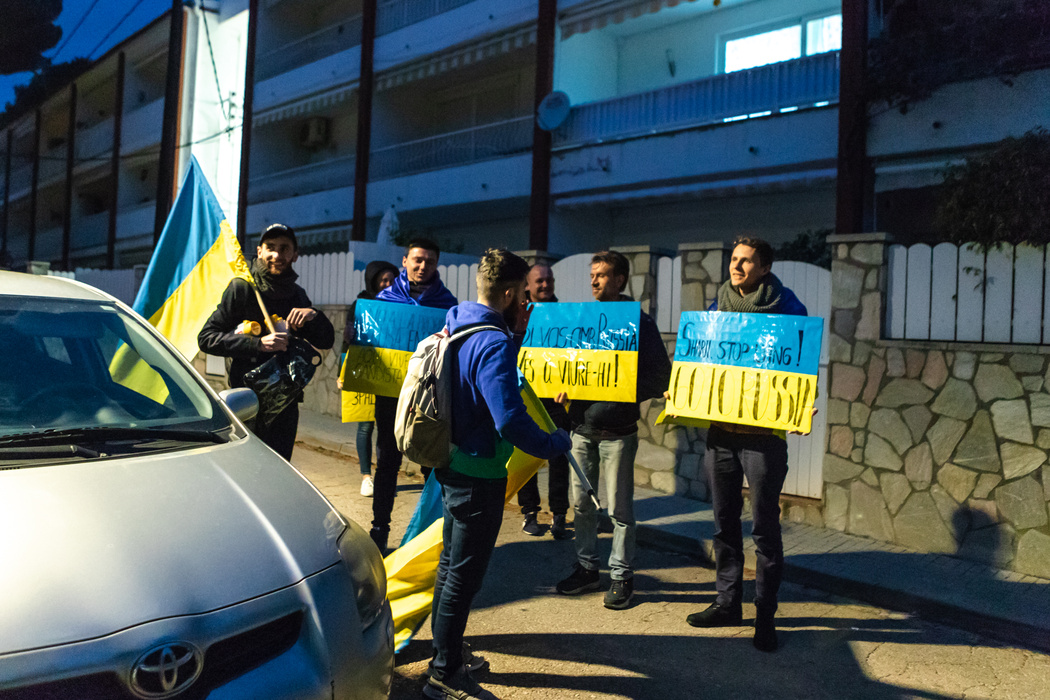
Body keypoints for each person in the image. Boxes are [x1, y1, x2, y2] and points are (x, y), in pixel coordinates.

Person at [425, 248, 571, 700]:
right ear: (508, 293)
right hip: (479, 473)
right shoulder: (493, 342)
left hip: (452, 464)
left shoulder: (457, 324)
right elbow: (508, 420)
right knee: (462, 577)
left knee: (450, 568)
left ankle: (446, 653)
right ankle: (444, 673)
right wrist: (555, 442)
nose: (526, 301)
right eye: (523, 293)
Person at [682, 237, 807, 652]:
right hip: (720, 435)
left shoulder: (788, 309)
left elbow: (798, 365)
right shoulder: (716, 310)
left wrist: (800, 405)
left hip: (762, 440)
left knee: (765, 530)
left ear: (764, 268)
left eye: (746, 261)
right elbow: (700, 362)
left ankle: (765, 616)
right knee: (724, 524)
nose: (736, 266)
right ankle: (727, 604)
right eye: (734, 259)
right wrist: (682, 389)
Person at [555, 251, 672, 610]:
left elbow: (660, 376)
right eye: (592, 274)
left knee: (620, 510)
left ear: (620, 280)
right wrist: (562, 386)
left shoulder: (640, 323)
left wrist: (622, 388)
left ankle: (622, 576)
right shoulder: (582, 320)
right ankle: (587, 569)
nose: (594, 281)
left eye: (602, 275)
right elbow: (565, 364)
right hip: (580, 429)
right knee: (581, 505)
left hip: (618, 433)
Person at [198, 223, 335, 460]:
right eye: (270, 247)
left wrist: (314, 315)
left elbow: (326, 340)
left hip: (285, 403)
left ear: (295, 254)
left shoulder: (297, 294)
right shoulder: (242, 288)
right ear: (259, 251)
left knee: (280, 467)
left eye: (284, 248)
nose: (277, 255)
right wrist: (258, 344)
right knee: (246, 467)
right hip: (247, 401)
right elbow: (207, 338)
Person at [369, 238, 458, 552]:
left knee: (431, 464)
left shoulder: (448, 305)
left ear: (437, 264)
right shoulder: (384, 301)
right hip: (391, 395)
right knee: (387, 462)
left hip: (429, 397)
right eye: (417, 260)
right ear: (404, 261)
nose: (423, 266)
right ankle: (379, 528)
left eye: (429, 261)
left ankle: (429, 533)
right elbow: (370, 342)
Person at [515, 263, 572, 539]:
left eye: (549, 280)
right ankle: (529, 513)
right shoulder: (517, 315)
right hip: (526, 397)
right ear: (527, 285)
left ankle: (559, 514)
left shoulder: (566, 315)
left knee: (560, 457)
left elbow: (576, 355)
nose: (546, 285)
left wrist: (570, 387)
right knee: (527, 454)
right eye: (540, 281)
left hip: (556, 400)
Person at [338, 259, 399, 497]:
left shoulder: (401, 305)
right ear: (373, 281)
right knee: (365, 424)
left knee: (388, 428)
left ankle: (384, 475)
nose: (388, 284)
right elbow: (347, 341)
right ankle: (366, 476)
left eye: (392, 280)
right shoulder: (360, 304)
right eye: (383, 280)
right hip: (365, 370)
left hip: (390, 373)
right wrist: (342, 372)